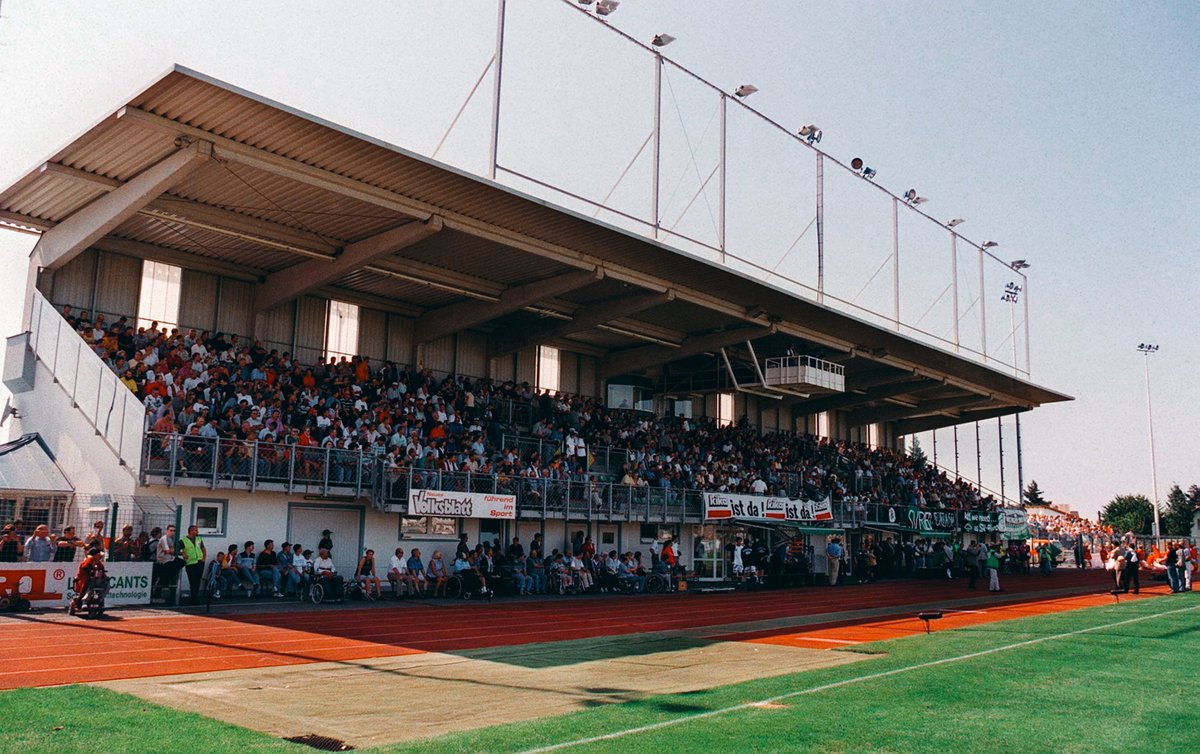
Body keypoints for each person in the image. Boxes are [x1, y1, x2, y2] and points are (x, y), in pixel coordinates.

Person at [71, 545, 108, 614]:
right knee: (90, 585)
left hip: (96, 581)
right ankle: (84, 602)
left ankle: (100, 600)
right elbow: (84, 570)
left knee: (106, 584)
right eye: (98, 555)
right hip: (84, 581)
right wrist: (92, 569)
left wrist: (105, 577)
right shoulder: (87, 561)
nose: (100, 556)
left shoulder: (99, 563)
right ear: (95, 555)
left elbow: (102, 571)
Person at [179, 525, 207, 604]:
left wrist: (204, 558)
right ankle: (194, 597)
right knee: (192, 580)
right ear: (191, 531)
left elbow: (203, 549)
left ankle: (195, 597)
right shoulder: (183, 540)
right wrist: (182, 554)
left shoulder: (199, 539)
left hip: (199, 562)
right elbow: (177, 549)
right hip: (190, 563)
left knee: (198, 580)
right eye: (196, 530)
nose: (197, 532)